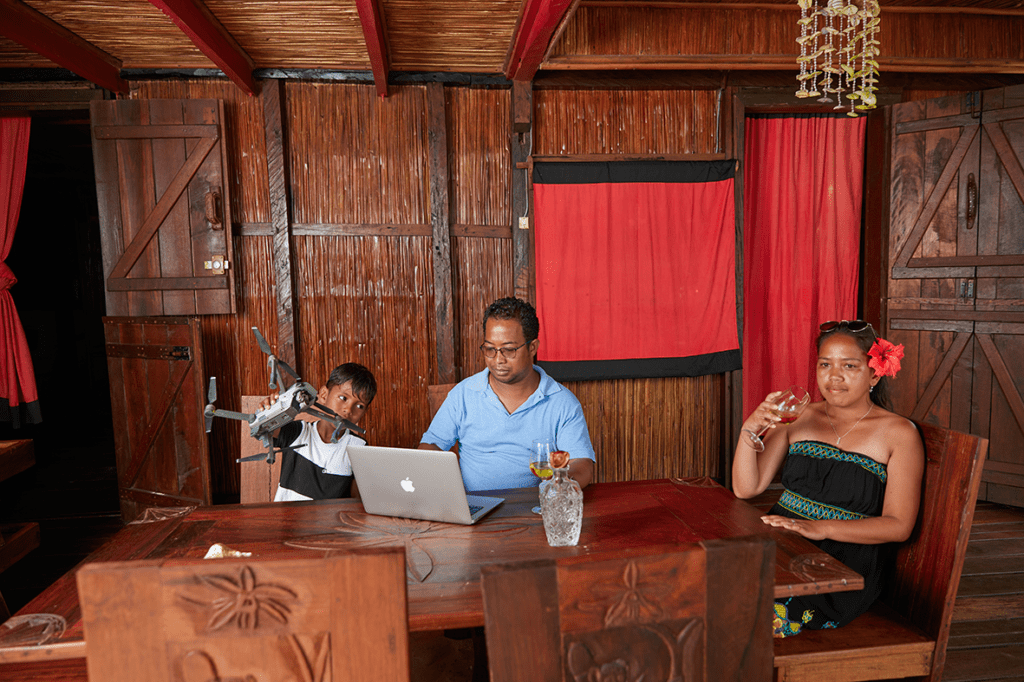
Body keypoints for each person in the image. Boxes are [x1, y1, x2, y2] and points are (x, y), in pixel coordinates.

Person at [732, 320, 924, 638]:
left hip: (842, 566)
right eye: (825, 364)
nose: (834, 376)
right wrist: (749, 430)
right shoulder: (799, 415)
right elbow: (746, 488)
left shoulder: (899, 433)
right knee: (702, 588)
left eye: (849, 365)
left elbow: (899, 525)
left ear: (875, 374)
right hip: (782, 547)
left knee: (746, 617)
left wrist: (820, 528)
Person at [420, 296, 596, 491]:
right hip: (473, 505)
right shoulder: (463, 394)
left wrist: (559, 485)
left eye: (509, 350)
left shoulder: (562, 402)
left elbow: (582, 464)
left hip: (536, 504)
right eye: (490, 349)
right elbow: (431, 446)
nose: (498, 360)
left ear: (532, 348)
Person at [266, 362, 377, 502]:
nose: (348, 410)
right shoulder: (298, 432)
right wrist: (270, 411)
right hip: (288, 516)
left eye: (360, 406)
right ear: (324, 395)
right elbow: (265, 428)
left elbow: (357, 502)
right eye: (343, 398)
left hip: (332, 517)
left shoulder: (358, 447)